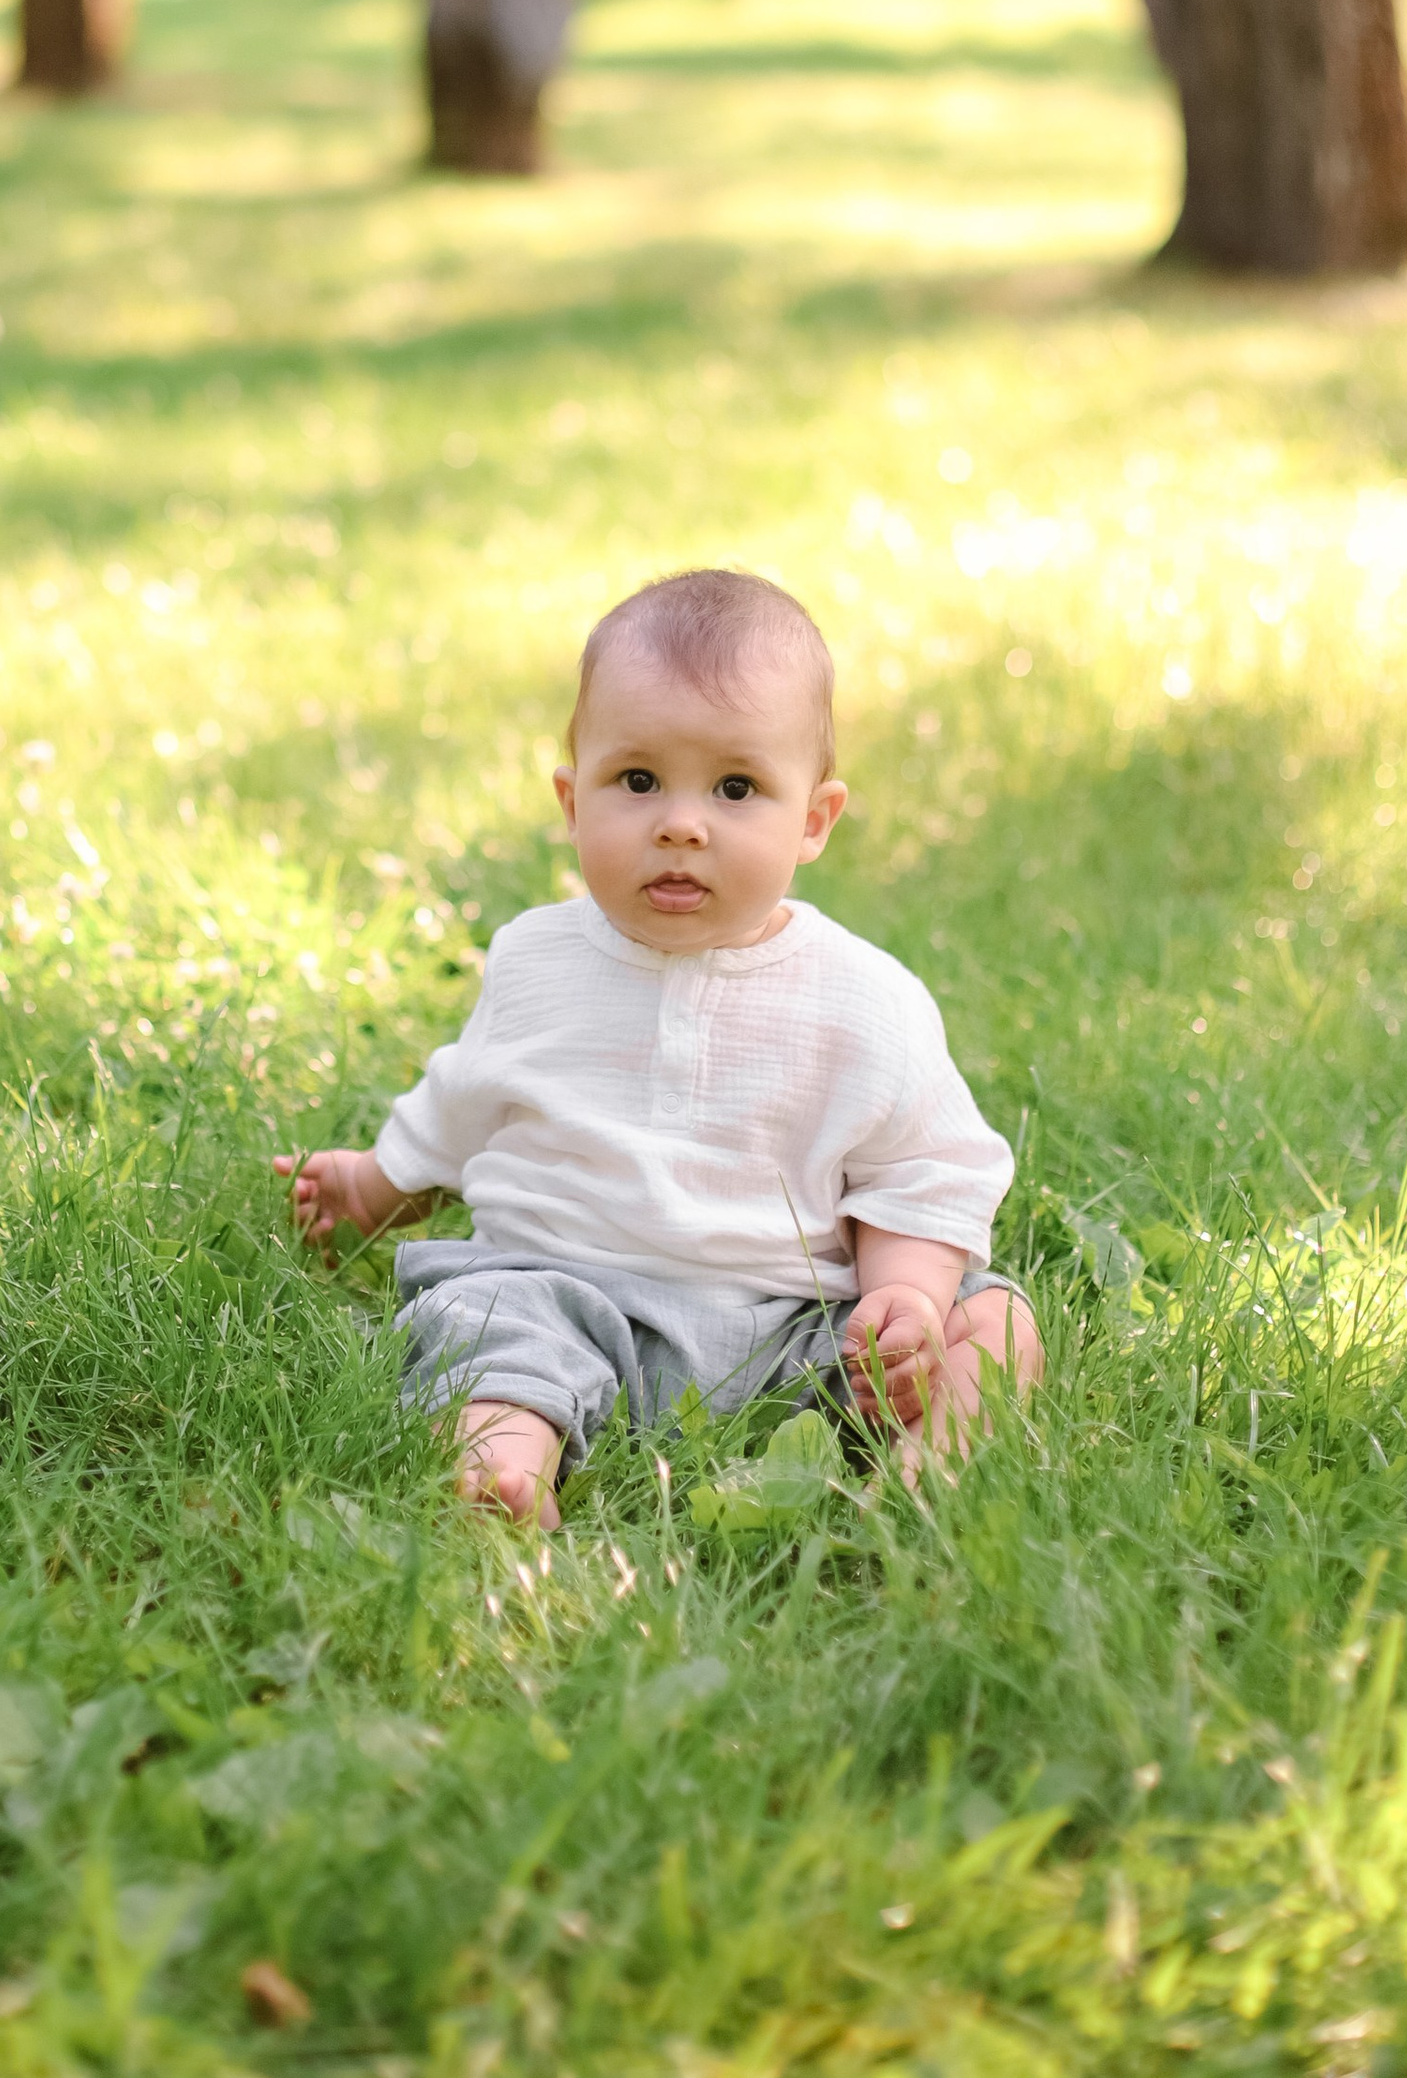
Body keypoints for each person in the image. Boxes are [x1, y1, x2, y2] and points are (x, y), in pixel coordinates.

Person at [276, 567, 1041, 1527]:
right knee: (485, 1325)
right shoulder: (535, 960)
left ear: (813, 819)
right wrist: (374, 1186)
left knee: (993, 1319)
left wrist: (907, 1302)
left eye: (736, 787)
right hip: (564, 1291)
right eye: (638, 781)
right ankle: (508, 1466)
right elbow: (463, 1102)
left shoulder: (866, 999)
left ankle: (933, 1472)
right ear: (571, 800)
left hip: (788, 1333)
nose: (681, 823)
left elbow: (920, 1172)